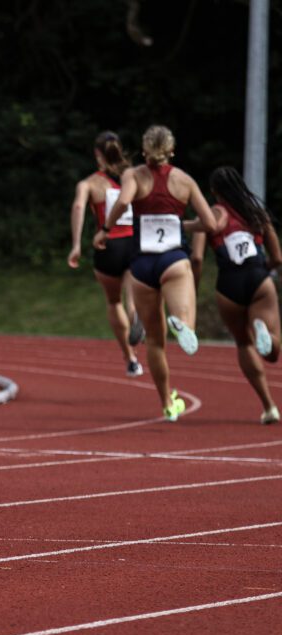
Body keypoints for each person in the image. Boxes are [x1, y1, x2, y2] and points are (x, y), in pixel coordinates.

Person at [99, 125, 216, 421]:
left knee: (154, 341)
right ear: (172, 151)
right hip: (173, 259)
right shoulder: (183, 180)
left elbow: (124, 202)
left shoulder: (133, 176)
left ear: (143, 149)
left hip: (141, 265)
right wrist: (181, 224)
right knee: (185, 316)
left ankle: (167, 403)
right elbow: (211, 224)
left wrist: (105, 229)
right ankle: (184, 324)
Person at [186, 166, 281, 424]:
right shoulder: (256, 214)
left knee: (243, 343)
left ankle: (269, 405)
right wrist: (265, 271)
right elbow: (278, 257)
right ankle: (266, 334)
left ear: (215, 192)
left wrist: (191, 292)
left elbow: (196, 258)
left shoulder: (211, 215)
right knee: (274, 352)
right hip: (258, 278)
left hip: (228, 285)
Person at [68, 131, 144, 377]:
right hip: (133, 242)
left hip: (108, 246)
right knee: (133, 298)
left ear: (97, 154)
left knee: (114, 302)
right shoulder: (135, 177)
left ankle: (130, 359)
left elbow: (79, 206)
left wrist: (76, 245)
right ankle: (137, 317)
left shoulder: (89, 184)